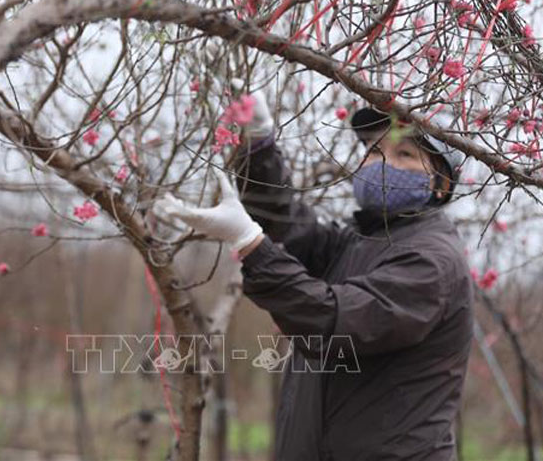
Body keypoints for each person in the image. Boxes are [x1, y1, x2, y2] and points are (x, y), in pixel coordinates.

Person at [153, 83, 474, 461]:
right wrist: (259, 146)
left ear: (441, 184)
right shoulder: (362, 242)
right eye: (374, 150)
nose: (382, 164)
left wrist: (250, 243)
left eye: (404, 154)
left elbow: (333, 320)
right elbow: (293, 229)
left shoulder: (431, 261)